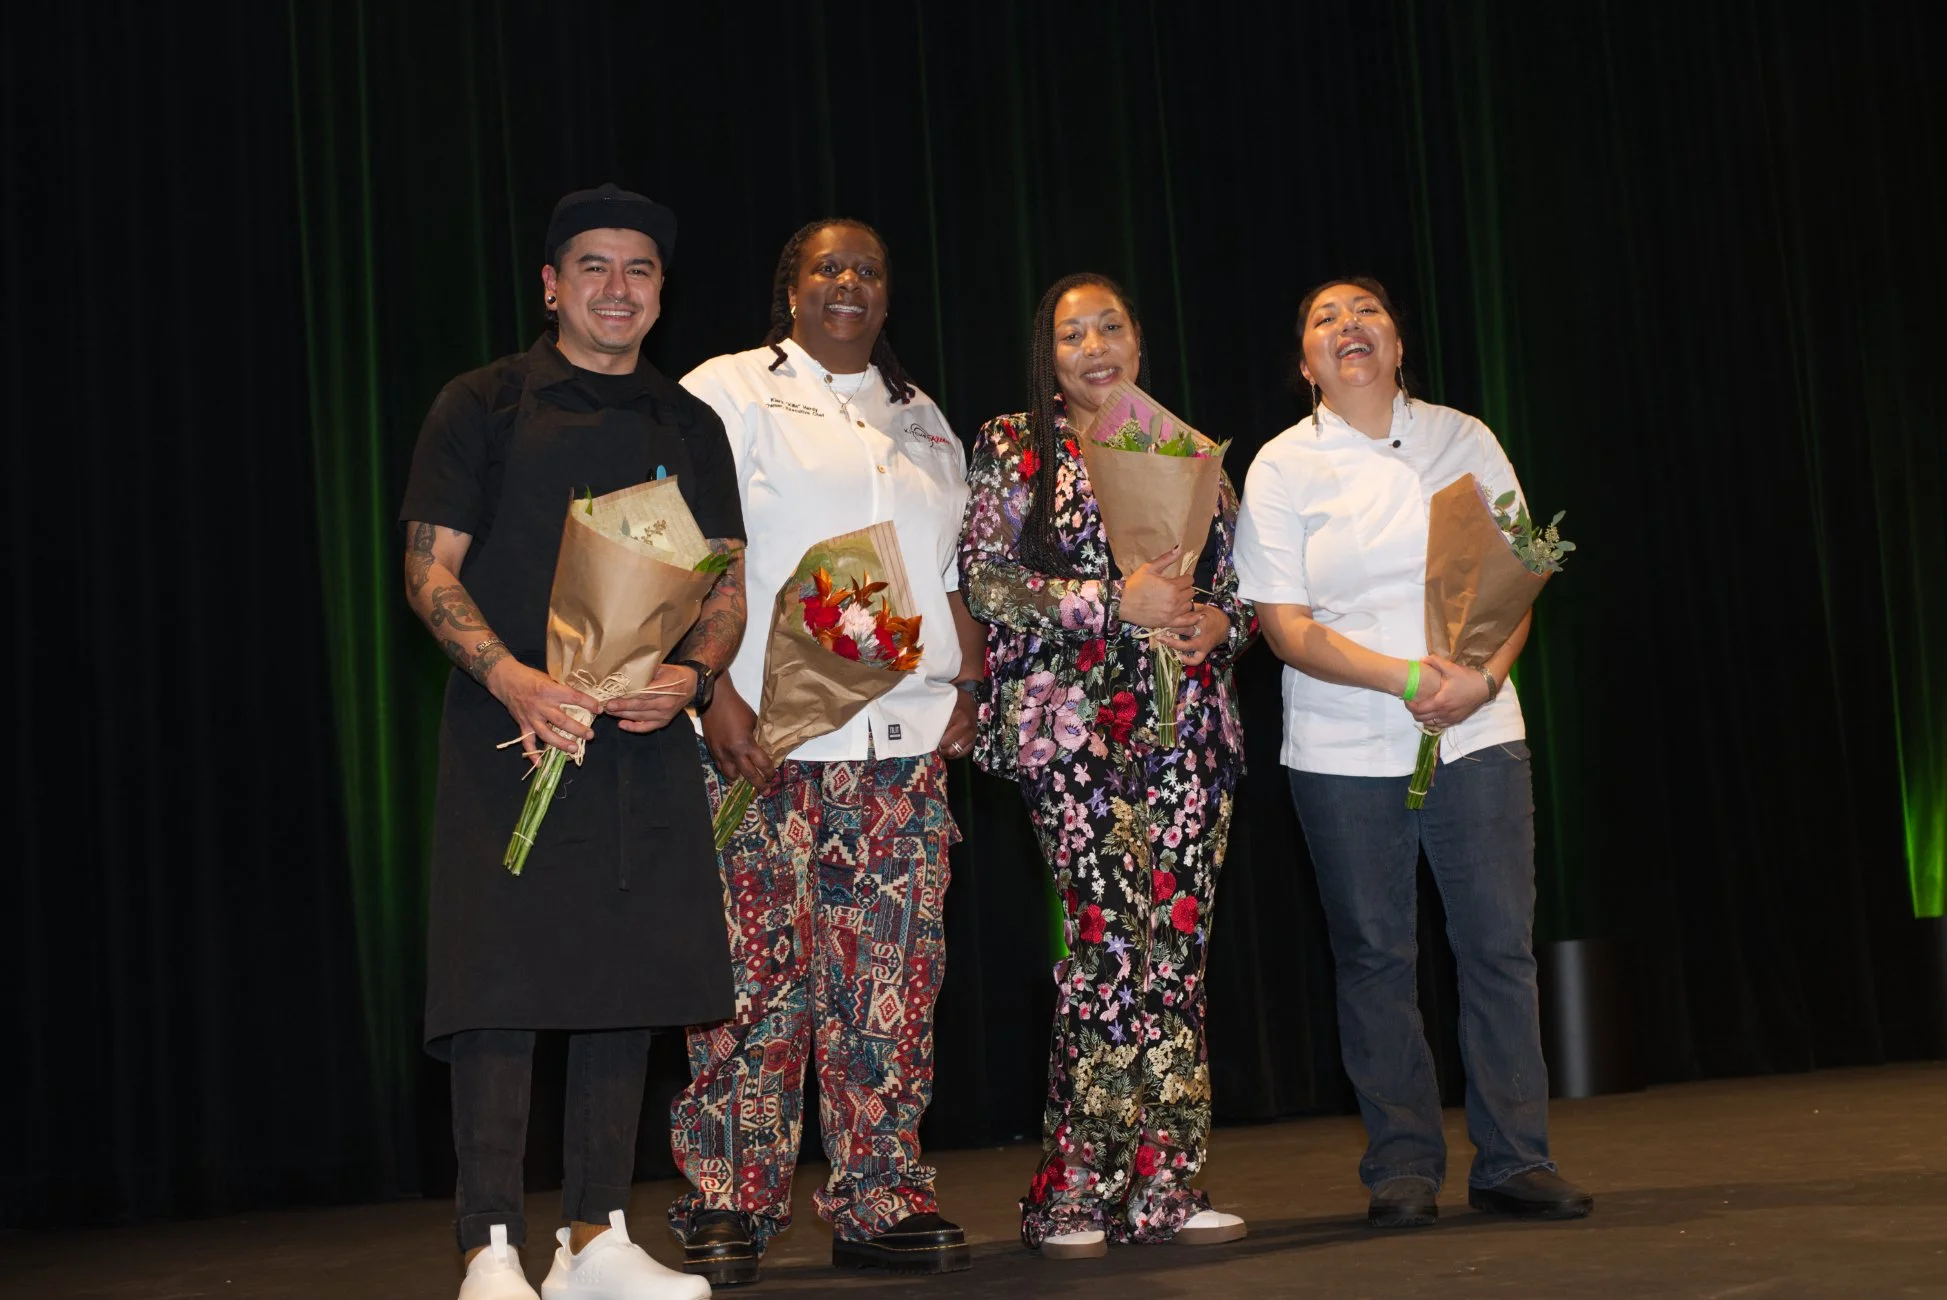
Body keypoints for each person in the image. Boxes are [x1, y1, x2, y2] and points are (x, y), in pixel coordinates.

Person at [399, 182, 746, 1300]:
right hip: (507, 730)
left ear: (661, 293)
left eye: (639, 269)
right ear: (551, 285)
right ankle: (490, 1244)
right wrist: (510, 677)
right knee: (497, 986)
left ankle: (596, 1238)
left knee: (625, 981)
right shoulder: (483, 403)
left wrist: (692, 678)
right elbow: (428, 569)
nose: (616, 287)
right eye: (593, 265)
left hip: (639, 738)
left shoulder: (687, 425)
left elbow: (725, 585)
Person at [1231, 277, 1594, 1229]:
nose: (1348, 326)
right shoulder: (1282, 465)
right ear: (1305, 364)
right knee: (1373, 957)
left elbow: (1518, 580)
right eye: (1325, 319)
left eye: (1366, 313)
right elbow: (1283, 627)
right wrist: (1404, 679)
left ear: (1396, 344)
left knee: (1496, 949)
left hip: (1477, 732)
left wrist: (1479, 680)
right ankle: (1400, 1165)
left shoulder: (1462, 439)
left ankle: (1515, 1158)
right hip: (1341, 745)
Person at [666, 218, 982, 1284]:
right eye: (828, 267)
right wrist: (712, 689)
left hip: (902, 748)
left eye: (869, 270)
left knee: (890, 984)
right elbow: (692, 552)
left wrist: (966, 686)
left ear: (888, 295)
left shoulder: (922, 415)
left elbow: (944, 577)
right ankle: (728, 1198)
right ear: (791, 287)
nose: (849, 282)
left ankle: (878, 1196)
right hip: (765, 739)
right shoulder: (728, 390)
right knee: (751, 979)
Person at [959, 273, 1253, 1259]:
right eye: (1071, 333)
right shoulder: (1014, 443)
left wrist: (1220, 623)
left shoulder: (1185, 448)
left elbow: (1240, 591)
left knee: (1175, 953)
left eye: (1109, 327)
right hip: (1073, 731)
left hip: (1188, 733)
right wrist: (1107, 601)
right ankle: (1074, 1190)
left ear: (1137, 340)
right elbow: (987, 581)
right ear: (1047, 354)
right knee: (1107, 946)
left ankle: (1165, 1184)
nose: (1094, 346)